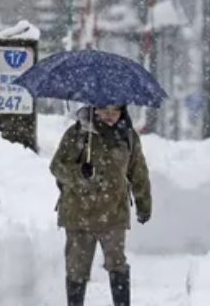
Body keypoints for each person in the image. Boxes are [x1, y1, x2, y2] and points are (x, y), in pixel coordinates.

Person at [50, 105, 152, 306]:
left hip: (113, 214)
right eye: (105, 111)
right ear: (94, 110)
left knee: (117, 265)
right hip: (78, 214)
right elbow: (56, 166)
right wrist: (80, 172)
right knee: (76, 269)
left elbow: (138, 173)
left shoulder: (128, 137)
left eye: (115, 112)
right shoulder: (78, 134)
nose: (110, 117)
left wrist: (144, 204)